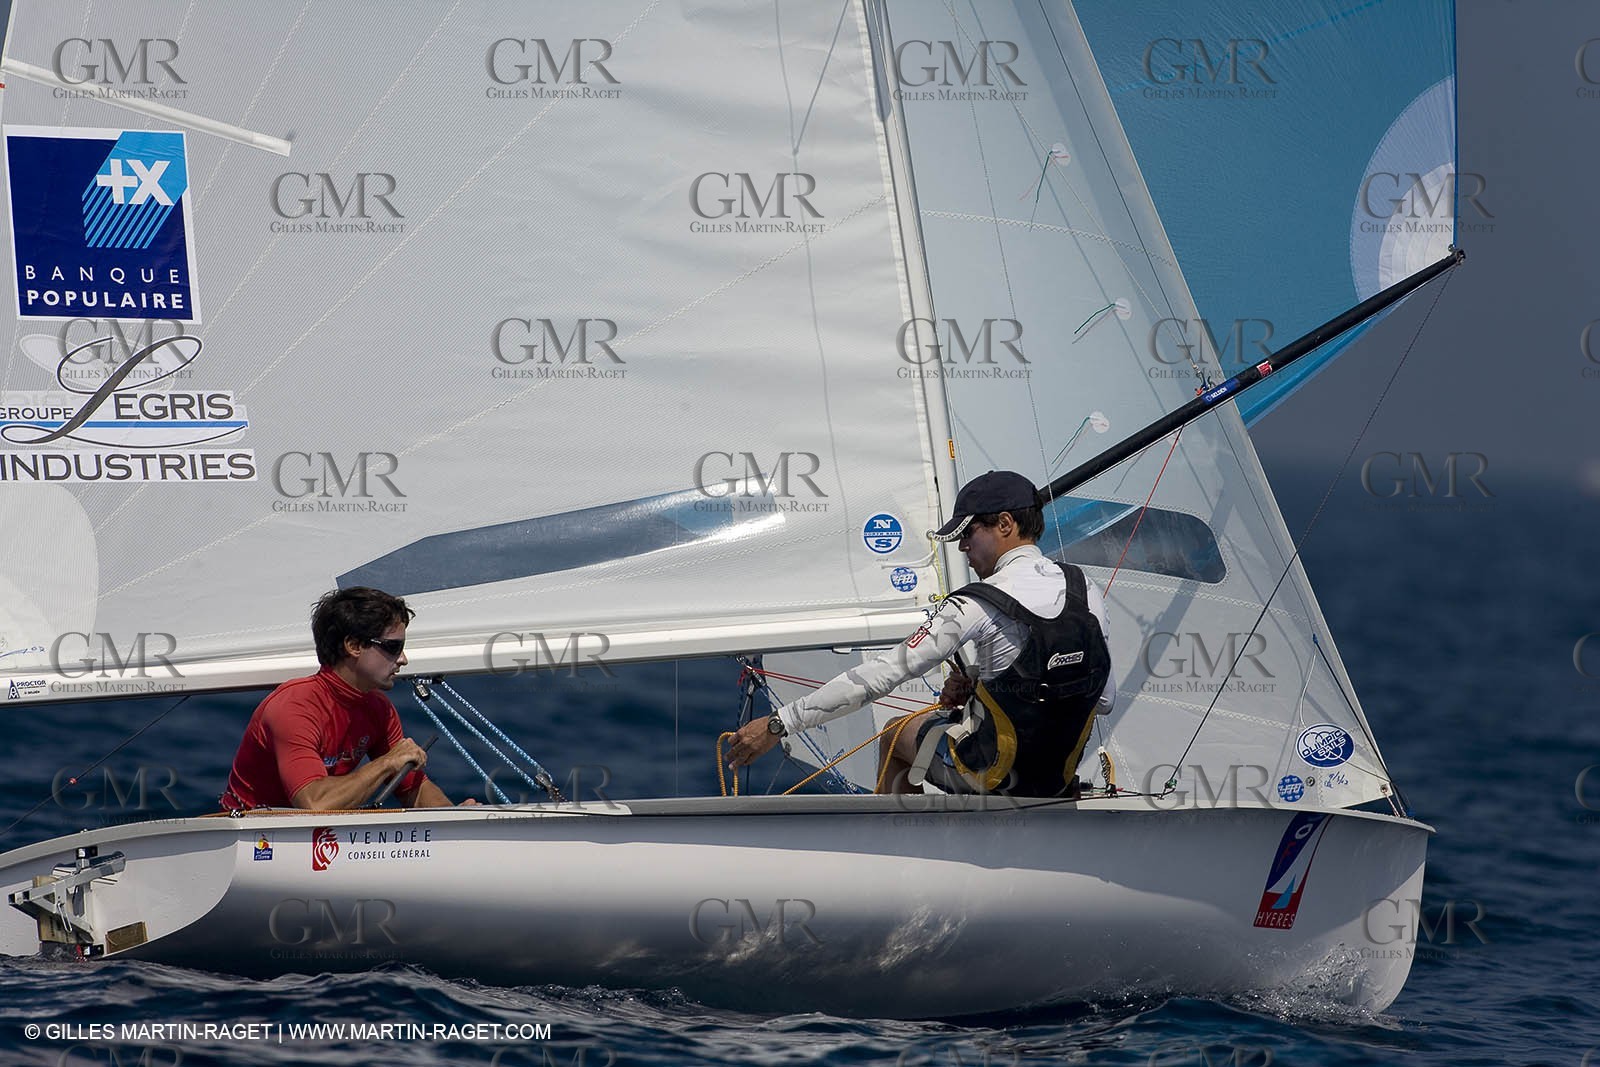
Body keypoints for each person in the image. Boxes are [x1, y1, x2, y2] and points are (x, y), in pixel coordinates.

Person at [724, 471, 1114, 796]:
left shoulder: (976, 603)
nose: (962, 547)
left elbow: (881, 675)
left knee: (894, 733)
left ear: (1006, 524)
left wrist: (781, 723)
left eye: (968, 533)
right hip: (1056, 781)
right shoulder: (1085, 589)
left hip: (993, 777)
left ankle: (900, 858)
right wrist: (985, 693)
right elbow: (1104, 698)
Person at [221, 587, 472, 811]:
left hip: (312, 842)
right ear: (353, 646)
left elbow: (411, 789)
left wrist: (454, 817)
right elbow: (315, 804)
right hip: (249, 839)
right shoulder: (295, 706)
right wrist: (387, 762)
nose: (403, 659)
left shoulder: (378, 708)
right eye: (393, 647)